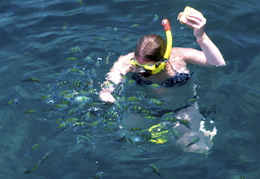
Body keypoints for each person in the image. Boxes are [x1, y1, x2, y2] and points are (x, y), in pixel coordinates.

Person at [99, 7, 226, 153]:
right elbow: (114, 75)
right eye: (138, 65)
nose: (143, 70)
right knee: (122, 140)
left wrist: (200, 35)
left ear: (163, 59)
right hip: (146, 110)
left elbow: (217, 64)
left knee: (194, 148)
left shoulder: (181, 57)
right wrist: (107, 90)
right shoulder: (127, 61)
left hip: (183, 109)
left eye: (149, 67)